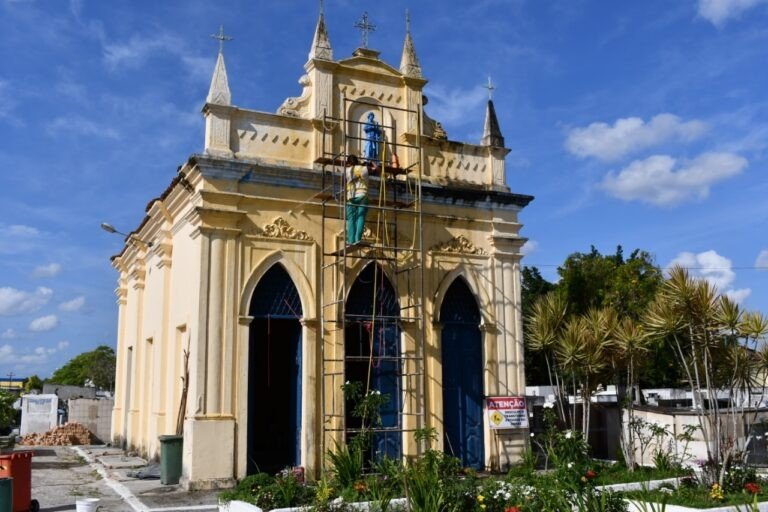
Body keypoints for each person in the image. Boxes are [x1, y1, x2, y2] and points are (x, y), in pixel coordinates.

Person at [345, 154, 369, 245]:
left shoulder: (347, 171)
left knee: (351, 219)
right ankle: (357, 239)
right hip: (362, 195)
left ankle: (351, 240)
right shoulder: (363, 169)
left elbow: (344, 182)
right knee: (360, 217)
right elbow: (376, 170)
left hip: (351, 196)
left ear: (348, 163)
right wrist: (372, 164)